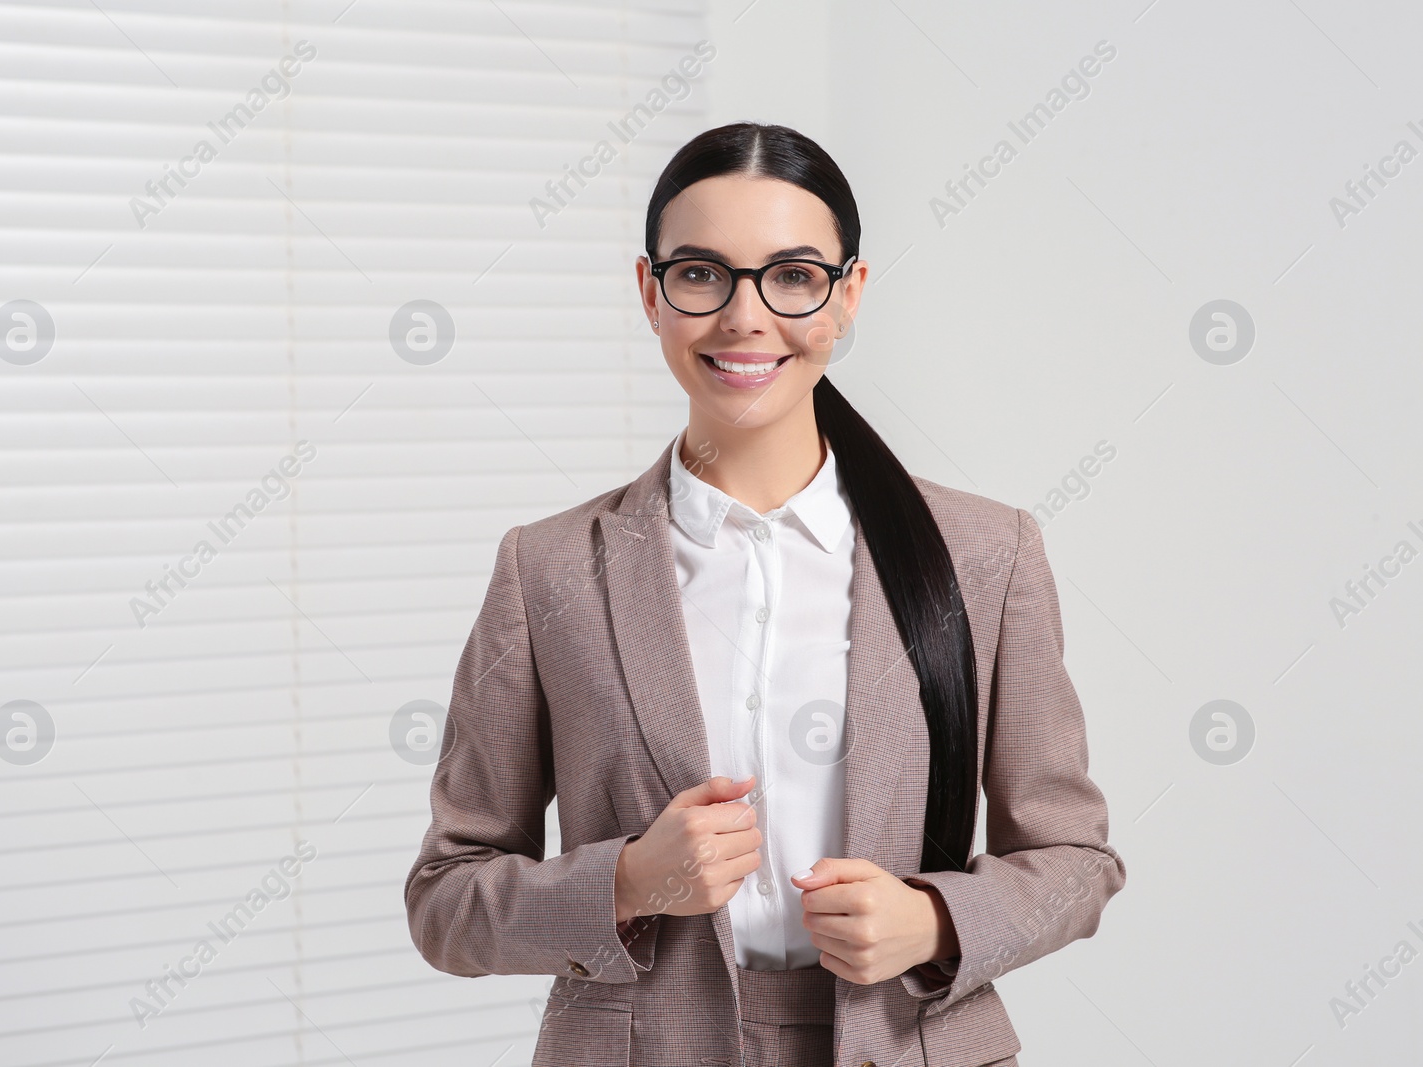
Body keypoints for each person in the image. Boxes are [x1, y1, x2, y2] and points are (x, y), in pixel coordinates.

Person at [404, 121, 1126, 1067]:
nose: (746, 317)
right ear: (649, 293)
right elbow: (445, 900)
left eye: (792, 276)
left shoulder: (987, 555)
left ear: (848, 294)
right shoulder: (547, 569)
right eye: (702, 273)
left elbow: (1079, 861)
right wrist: (623, 882)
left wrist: (936, 919)